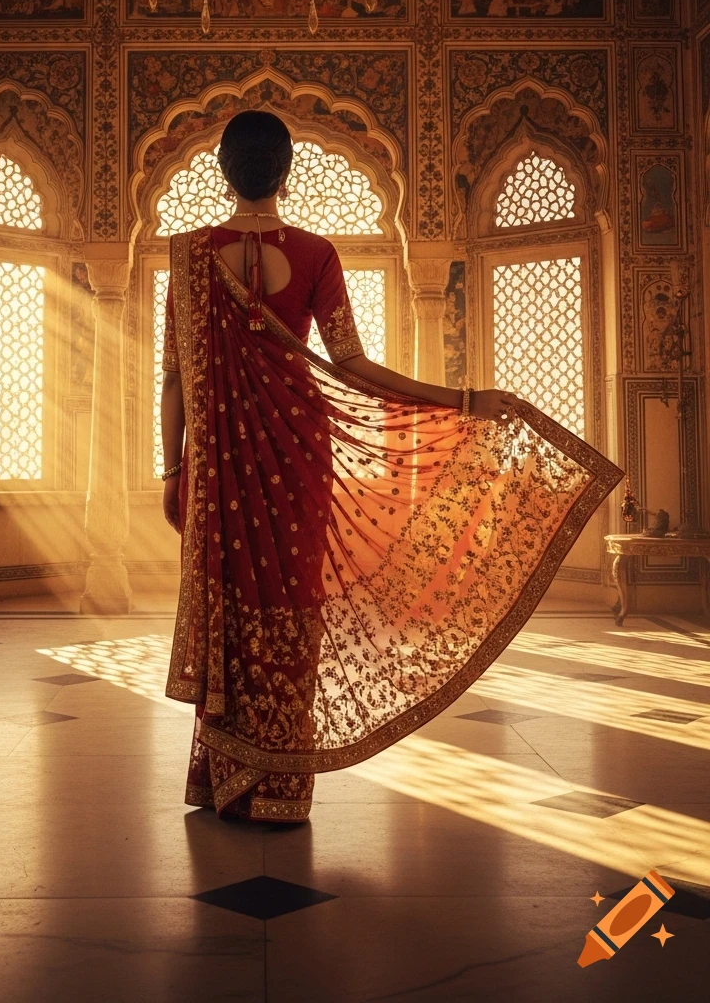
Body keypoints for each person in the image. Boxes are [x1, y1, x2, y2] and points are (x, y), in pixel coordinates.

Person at [159, 110, 621, 822]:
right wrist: (464, 399)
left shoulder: (189, 254)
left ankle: (226, 777)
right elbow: (355, 368)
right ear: (286, 171)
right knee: (293, 606)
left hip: (219, 464)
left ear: (223, 170)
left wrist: (171, 470)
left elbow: (173, 380)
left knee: (232, 601)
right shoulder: (314, 254)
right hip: (300, 452)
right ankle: (282, 786)